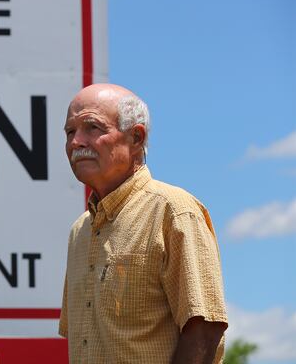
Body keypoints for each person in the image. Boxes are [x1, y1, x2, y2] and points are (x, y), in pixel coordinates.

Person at [58, 84, 227, 363]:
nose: (76, 142)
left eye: (93, 128)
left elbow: (205, 330)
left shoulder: (174, 211)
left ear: (136, 137)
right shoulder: (80, 231)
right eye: (70, 132)